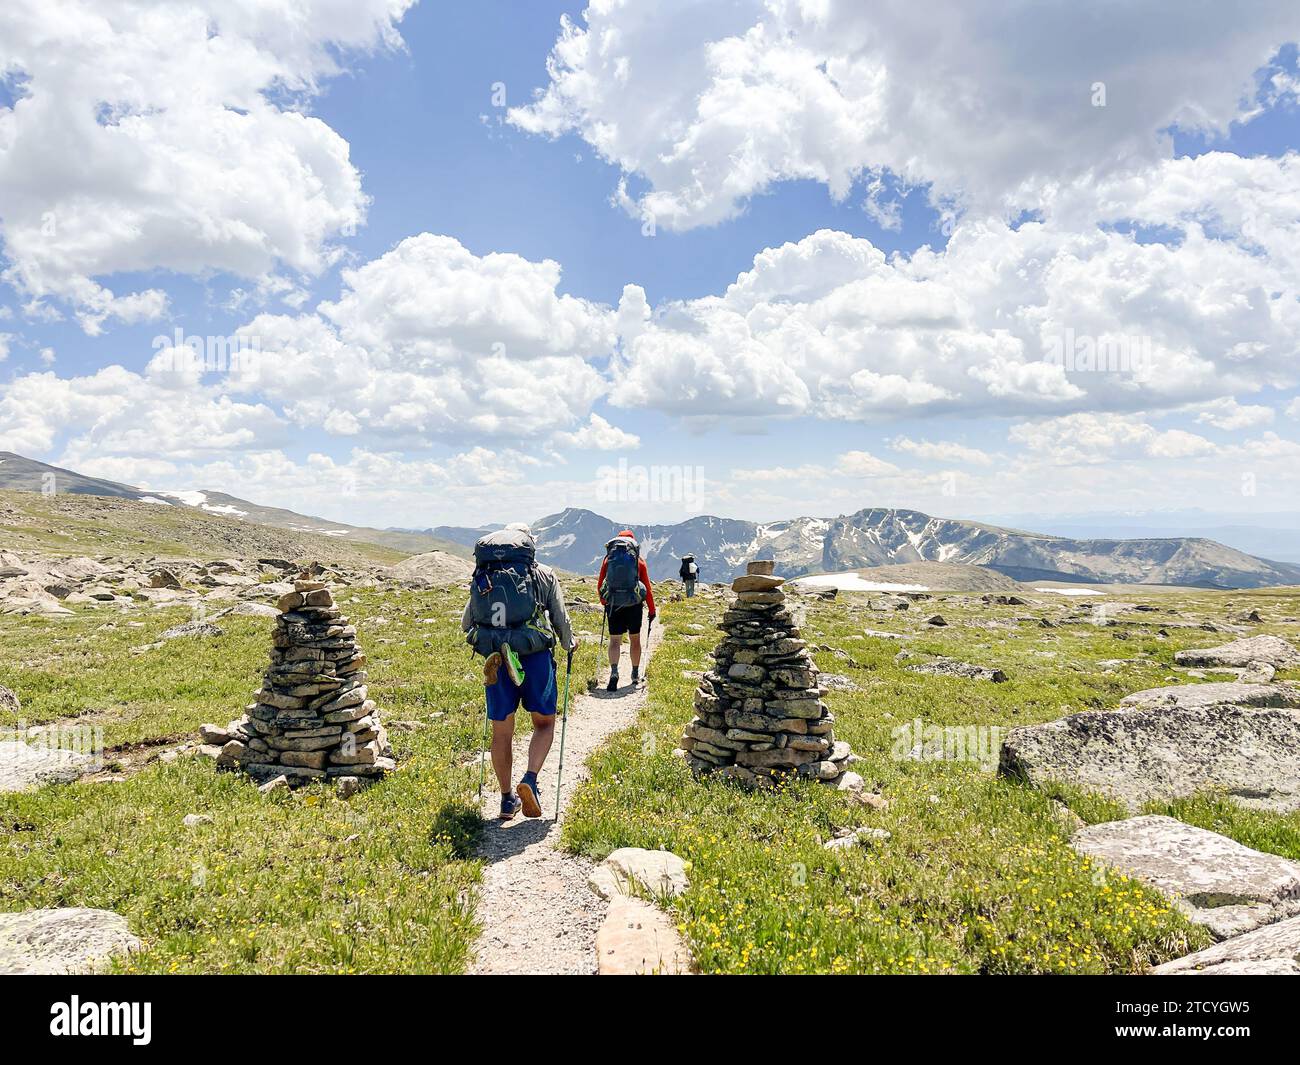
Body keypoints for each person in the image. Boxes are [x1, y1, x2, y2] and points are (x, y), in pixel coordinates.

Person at [463, 522, 576, 820]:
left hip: (497, 655)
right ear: (529, 546)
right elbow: (560, 619)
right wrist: (569, 643)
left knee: (502, 732)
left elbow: (467, 623)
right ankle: (530, 780)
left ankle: (505, 800)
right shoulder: (543, 574)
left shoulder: (484, 574)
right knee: (544, 724)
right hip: (535, 657)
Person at [597, 529, 655, 691]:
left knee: (615, 640)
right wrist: (652, 609)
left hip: (613, 604)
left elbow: (600, 584)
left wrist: (605, 601)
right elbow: (648, 589)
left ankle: (614, 672)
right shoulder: (639, 561)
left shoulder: (608, 560)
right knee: (635, 640)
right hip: (634, 605)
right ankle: (635, 674)